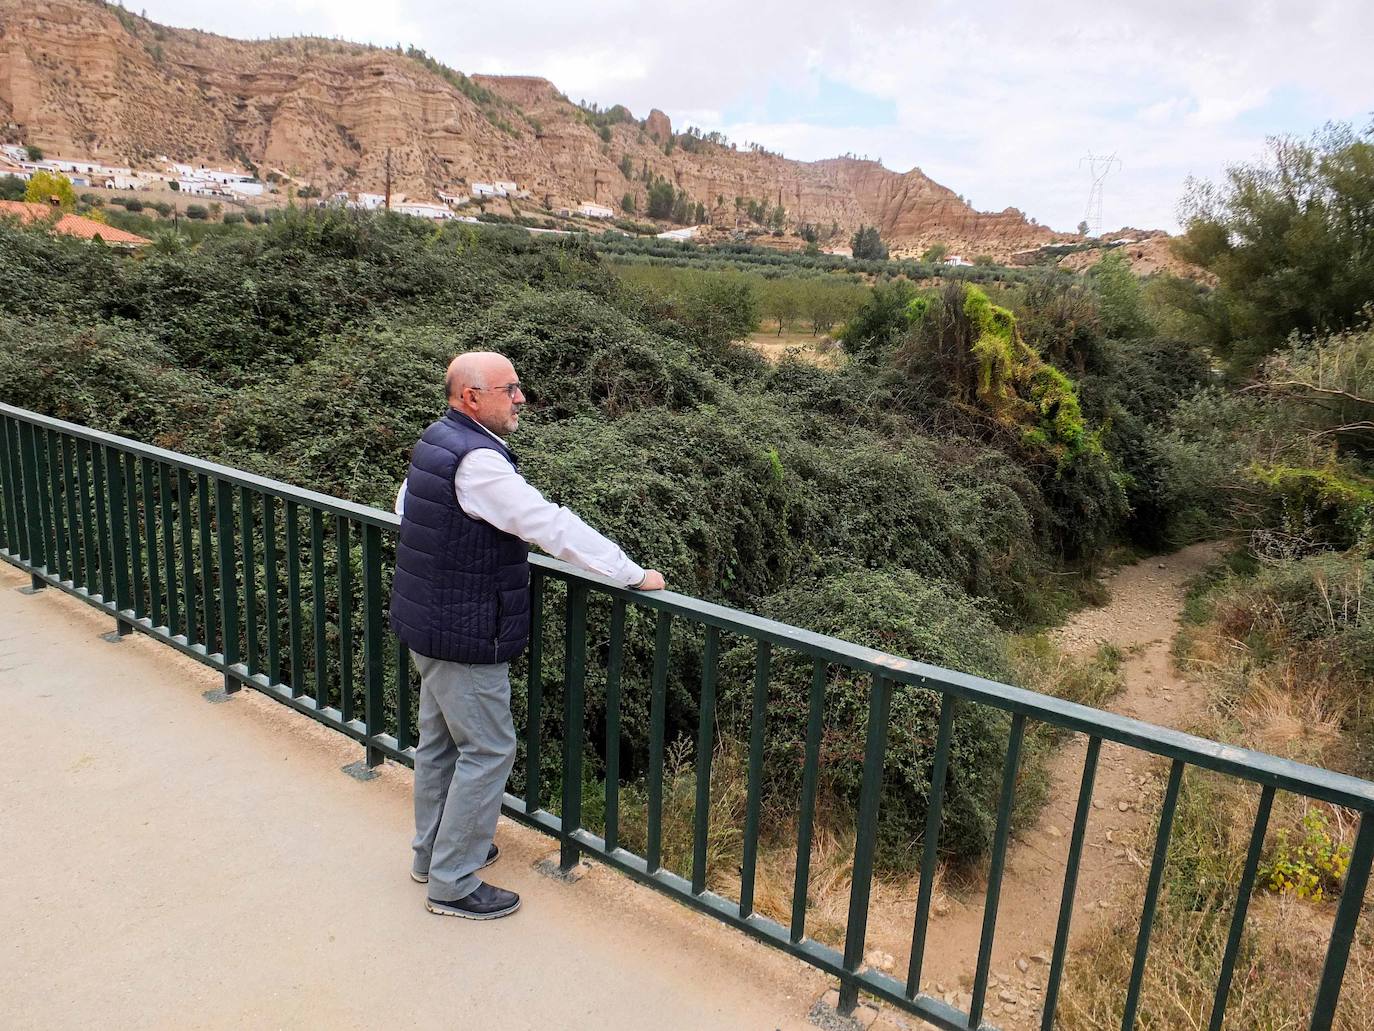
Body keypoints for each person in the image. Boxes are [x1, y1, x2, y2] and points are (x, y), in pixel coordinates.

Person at [390, 351, 664, 920]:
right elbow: (550, 525)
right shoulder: (478, 463)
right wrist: (631, 574)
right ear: (471, 398)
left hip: (429, 623)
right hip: (466, 633)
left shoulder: (436, 441)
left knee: (441, 745)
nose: (520, 398)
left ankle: (432, 854)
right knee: (489, 749)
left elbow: (408, 509)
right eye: (508, 388)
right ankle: (452, 881)